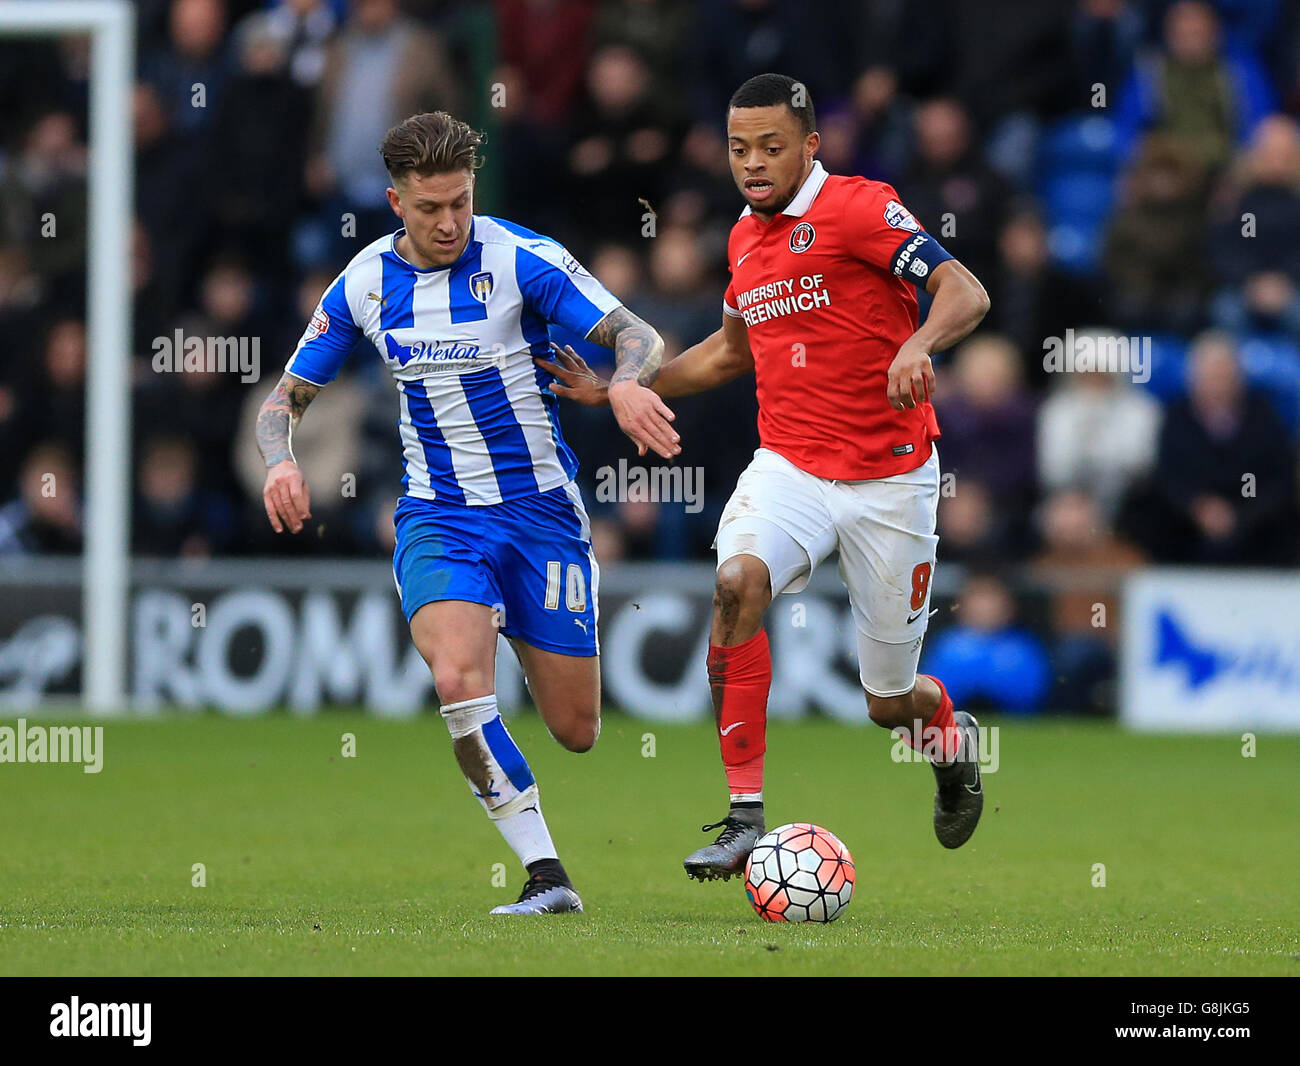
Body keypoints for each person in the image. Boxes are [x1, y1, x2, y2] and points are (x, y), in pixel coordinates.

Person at [543, 74, 991, 878]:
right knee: (736, 582)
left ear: (811, 146)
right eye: (739, 148)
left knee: (889, 702)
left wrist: (917, 345)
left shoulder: (860, 207)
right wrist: (631, 384)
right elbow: (730, 352)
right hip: (789, 464)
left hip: (891, 480)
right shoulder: (745, 240)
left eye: (771, 147)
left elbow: (965, 290)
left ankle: (950, 744)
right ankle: (744, 815)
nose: (752, 163)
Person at [254, 111, 675, 914]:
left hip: (541, 514)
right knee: (456, 679)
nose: (449, 222)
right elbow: (285, 400)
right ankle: (546, 875)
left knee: (576, 727)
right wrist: (280, 460)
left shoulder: (522, 258)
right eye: (430, 208)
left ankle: (518, 633)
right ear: (394, 202)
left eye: (461, 203)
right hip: (439, 515)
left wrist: (624, 379)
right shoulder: (364, 282)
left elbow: (639, 335)